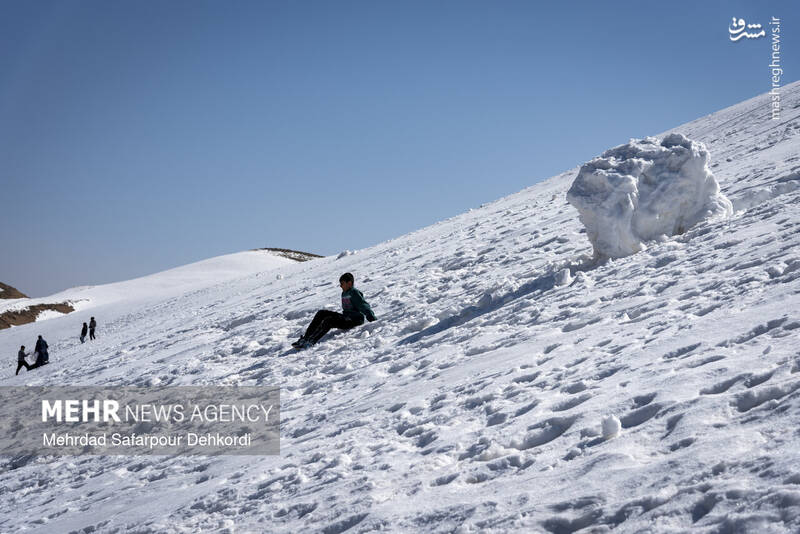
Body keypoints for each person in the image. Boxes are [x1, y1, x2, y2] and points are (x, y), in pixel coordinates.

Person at [292, 272, 376, 349]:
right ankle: (306, 338)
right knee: (322, 313)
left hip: (355, 320)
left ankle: (311, 341)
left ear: (349, 283)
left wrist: (370, 316)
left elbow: (363, 305)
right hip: (346, 317)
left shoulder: (354, 293)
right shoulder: (344, 292)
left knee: (329, 321)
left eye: (342, 283)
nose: (340, 286)